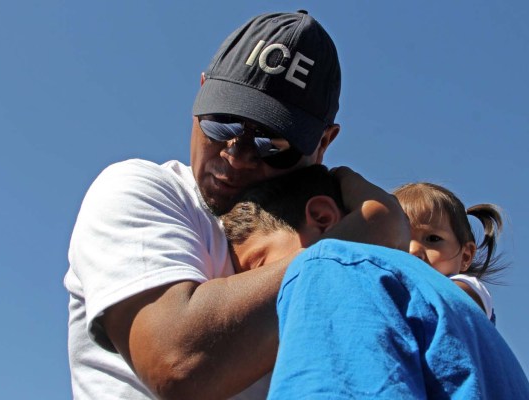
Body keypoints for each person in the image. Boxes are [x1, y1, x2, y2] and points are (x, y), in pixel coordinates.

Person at [65, 11, 409, 400]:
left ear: (323, 144)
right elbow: (180, 364)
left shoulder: (331, 229)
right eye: (222, 122)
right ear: (200, 92)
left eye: (270, 141)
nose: (238, 154)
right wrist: (366, 237)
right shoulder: (142, 190)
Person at [221, 165, 529, 399]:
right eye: (405, 238)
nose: (413, 250)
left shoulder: (335, 267)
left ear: (466, 255)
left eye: (262, 264)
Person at [394, 182, 505, 322]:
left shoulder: (464, 287)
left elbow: (452, 300)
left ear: (465, 256)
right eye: (401, 238)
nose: (413, 251)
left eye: (433, 239)